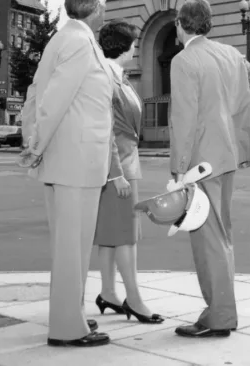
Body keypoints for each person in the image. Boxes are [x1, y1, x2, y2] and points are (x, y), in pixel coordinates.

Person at [23, 0, 116, 349]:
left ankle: (71, 314)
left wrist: (35, 141)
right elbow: (54, 100)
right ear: (94, 6)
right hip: (75, 161)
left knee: (74, 247)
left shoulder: (67, 39)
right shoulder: (78, 42)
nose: (106, 10)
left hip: (73, 160)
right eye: (104, 3)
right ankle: (66, 326)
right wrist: (36, 144)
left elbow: (36, 93)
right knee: (71, 248)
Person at [169, 0, 250, 339]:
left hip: (200, 163)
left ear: (181, 24)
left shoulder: (184, 61)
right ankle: (222, 310)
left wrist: (178, 170)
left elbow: (183, 118)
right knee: (222, 235)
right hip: (227, 157)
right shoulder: (230, 55)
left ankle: (219, 315)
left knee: (207, 239)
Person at [93, 20, 164, 325]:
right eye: (134, 42)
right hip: (118, 168)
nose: (136, 47)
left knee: (111, 234)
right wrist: (115, 174)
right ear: (124, 45)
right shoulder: (107, 77)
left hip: (121, 164)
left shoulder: (115, 75)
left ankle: (108, 292)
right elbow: (104, 128)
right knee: (126, 236)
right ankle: (133, 300)